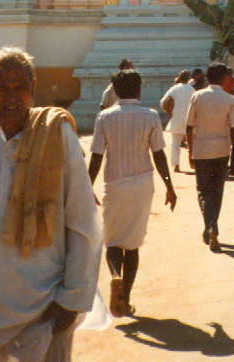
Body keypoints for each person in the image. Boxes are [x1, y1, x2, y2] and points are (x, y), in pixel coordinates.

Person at [0, 47, 102, 362]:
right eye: (0, 88)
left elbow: (83, 221)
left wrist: (72, 298)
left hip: (43, 307)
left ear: (32, 87)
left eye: (19, 87)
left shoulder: (57, 137)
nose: (10, 97)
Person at [89, 69, 176, 317]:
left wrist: (87, 185)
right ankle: (125, 298)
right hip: (142, 185)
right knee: (133, 245)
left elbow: (96, 155)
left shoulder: (104, 117)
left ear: (115, 91)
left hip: (114, 186)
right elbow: (158, 154)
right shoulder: (150, 116)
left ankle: (114, 276)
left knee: (114, 242)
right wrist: (169, 185)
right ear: (139, 89)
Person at [186, 63, 234, 252]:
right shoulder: (229, 99)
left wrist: (190, 150)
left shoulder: (197, 96)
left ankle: (211, 228)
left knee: (203, 191)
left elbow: (189, 126)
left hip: (201, 150)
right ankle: (211, 228)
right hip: (222, 150)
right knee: (217, 191)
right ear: (223, 79)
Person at [160, 70, 195, 173]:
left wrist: (170, 109)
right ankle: (193, 163)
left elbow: (163, 103)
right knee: (192, 143)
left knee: (175, 144)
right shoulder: (191, 89)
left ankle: (176, 165)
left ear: (179, 78)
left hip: (176, 119)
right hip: (190, 120)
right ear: (188, 78)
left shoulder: (174, 89)